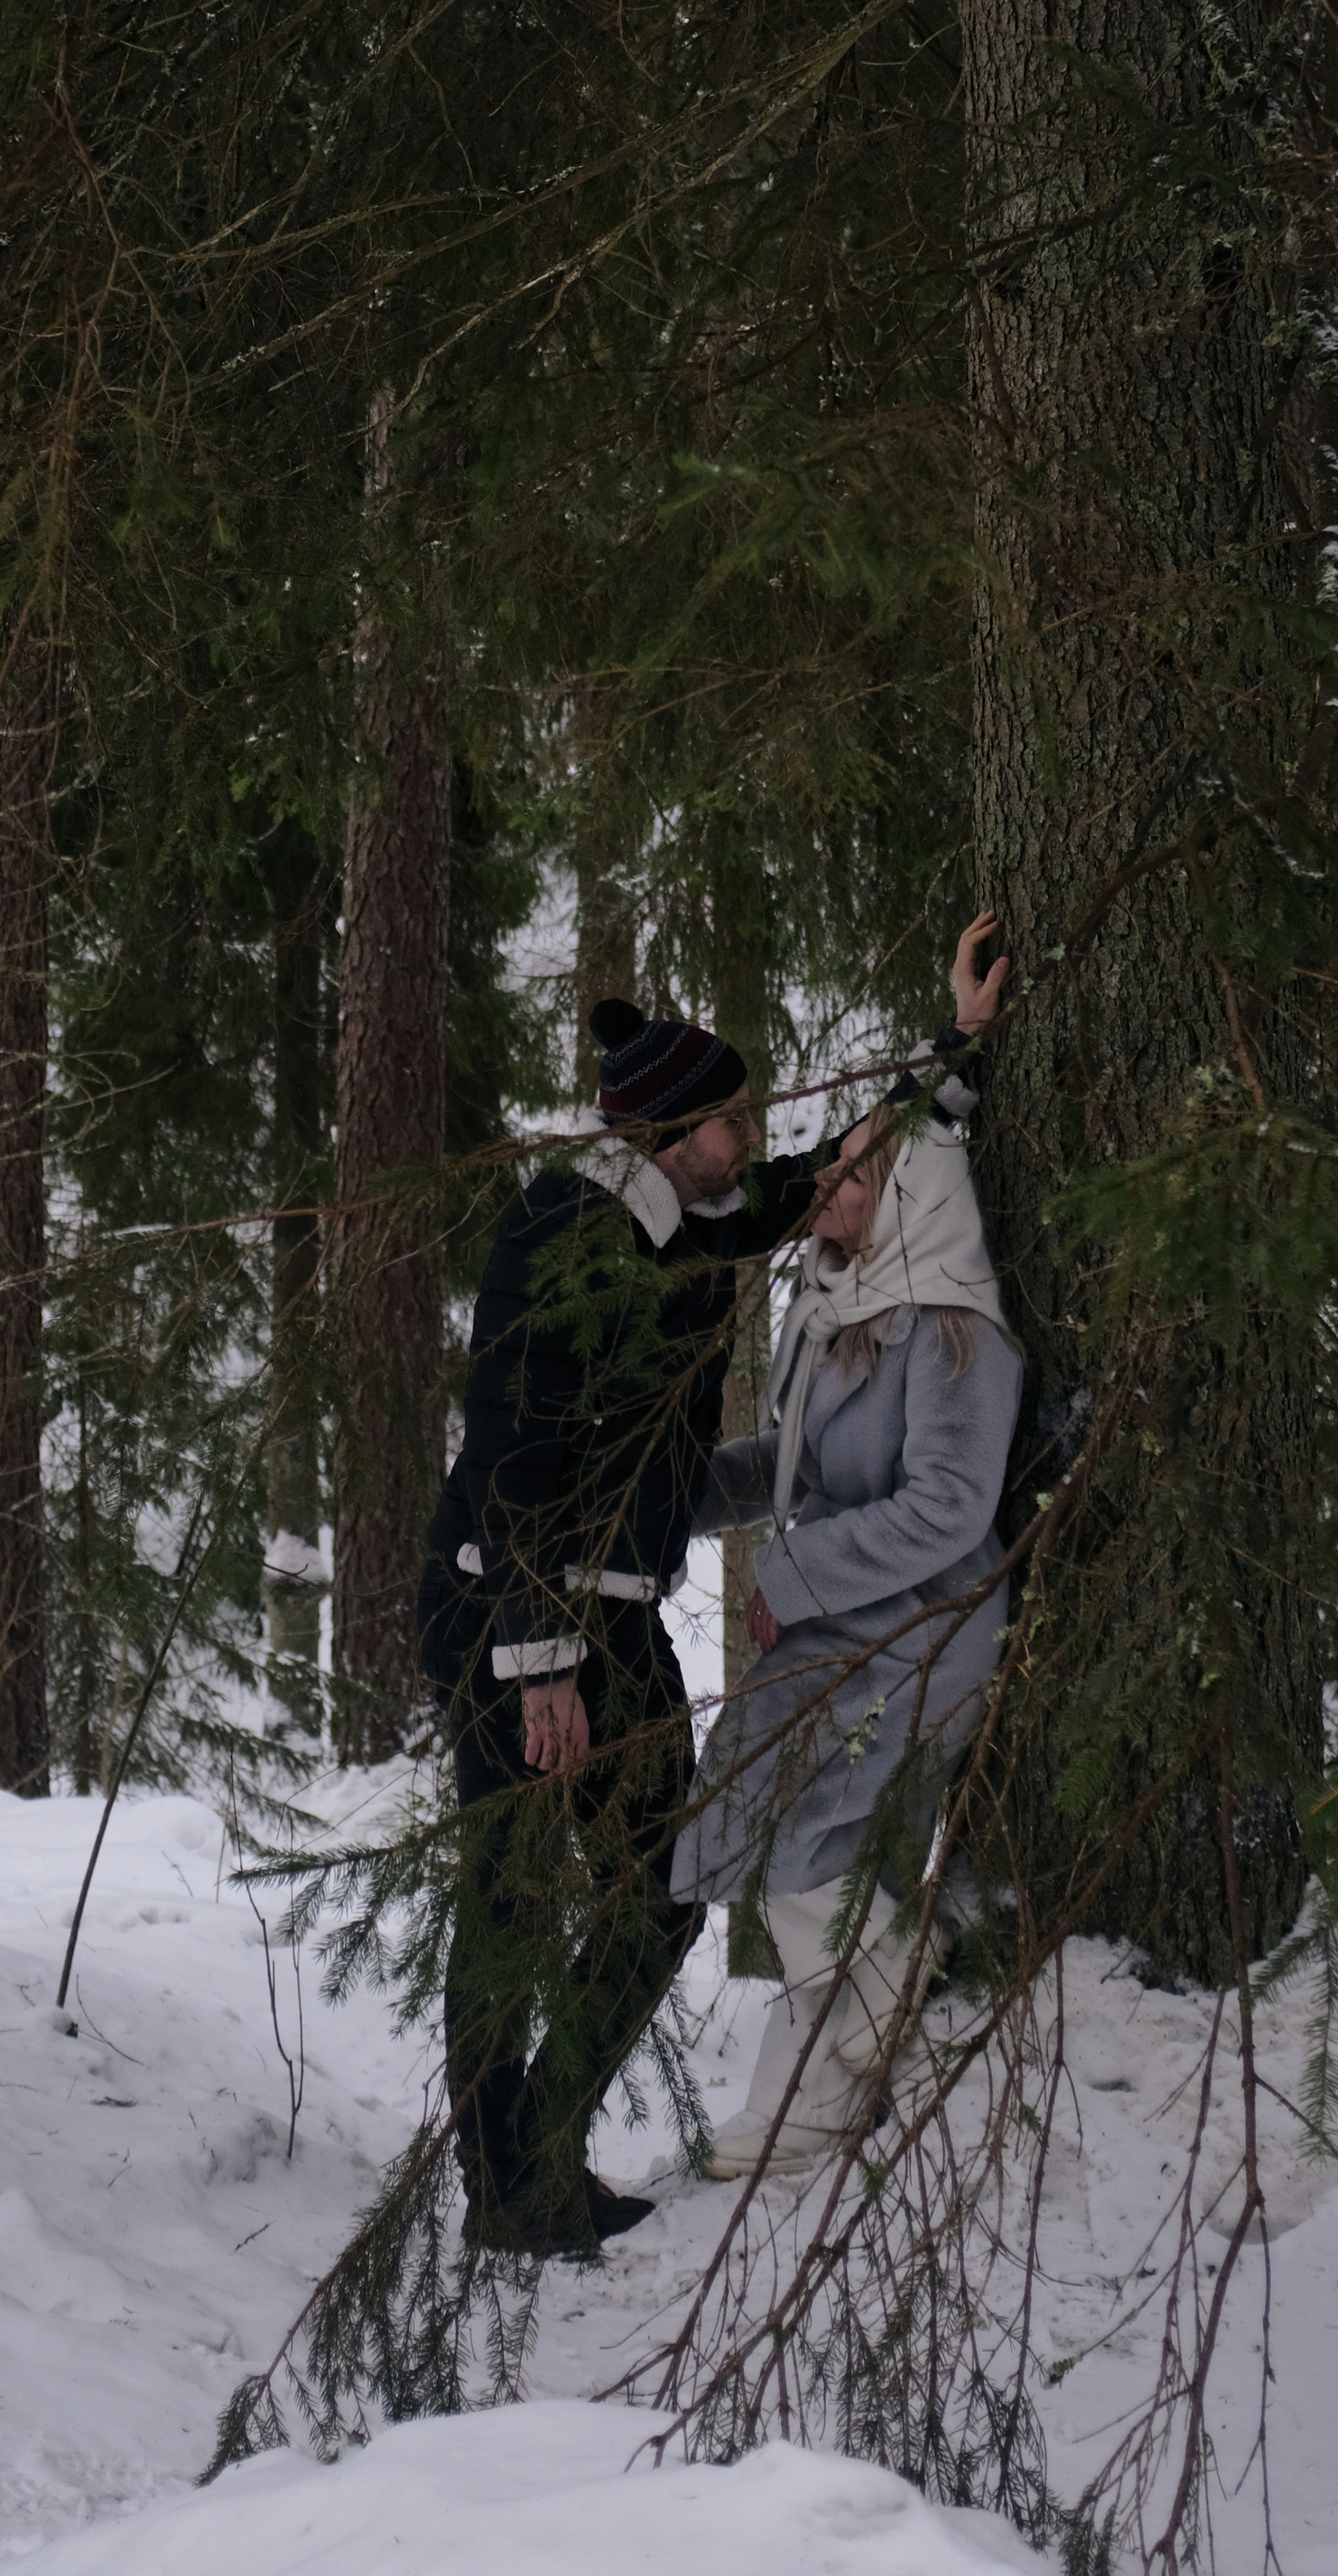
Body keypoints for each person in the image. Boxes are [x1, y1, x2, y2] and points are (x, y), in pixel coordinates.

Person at [415, 917, 1008, 2259]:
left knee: (667, 1880)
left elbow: (827, 1177)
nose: (751, 1131)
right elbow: (511, 1451)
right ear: (676, 1132)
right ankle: (509, 2188)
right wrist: (541, 1660)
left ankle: (535, 2152)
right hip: (507, 1608)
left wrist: (955, 1054)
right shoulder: (560, 1232)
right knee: (511, 1895)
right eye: (732, 1116)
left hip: (608, 1610)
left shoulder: (697, 1214)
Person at [672, 1089, 1021, 2179]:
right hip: (848, 1618)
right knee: (805, 1837)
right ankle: (820, 2079)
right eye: (830, 1173)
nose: (826, 1190)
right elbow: (801, 1468)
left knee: (795, 1833)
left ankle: (833, 2066)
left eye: (854, 1180)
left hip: (928, 1619)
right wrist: (666, 1495)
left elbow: (951, 1506)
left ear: (912, 1196)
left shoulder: (956, 1327)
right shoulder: (841, 1311)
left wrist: (792, 1568)